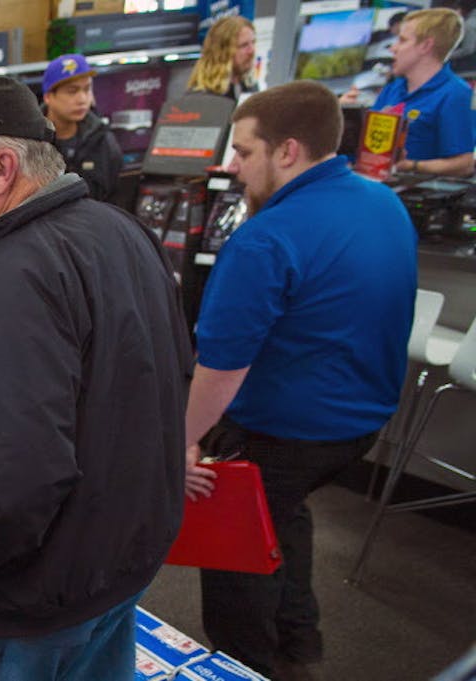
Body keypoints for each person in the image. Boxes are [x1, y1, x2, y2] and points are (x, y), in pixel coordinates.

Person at [0, 75, 190, 681]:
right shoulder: (121, 231)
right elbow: (169, 379)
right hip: (118, 560)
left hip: (34, 594)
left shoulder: (10, 280)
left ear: (1, 169)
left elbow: (5, 478)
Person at [184, 81, 416, 679]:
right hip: (361, 427)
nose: (233, 168)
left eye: (243, 151)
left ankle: (249, 665)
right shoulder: (383, 202)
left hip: (285, 431)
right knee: (283, 513)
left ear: (287, 151)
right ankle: (299, 643)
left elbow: (220, 369)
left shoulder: (264, 239)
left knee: (235, 544)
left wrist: (179, 440)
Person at [345, 8, 474, 177]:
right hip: (373, 185)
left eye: (402, 40)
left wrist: (412, 166)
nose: (393, 48)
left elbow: (464, 164)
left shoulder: (457, 94)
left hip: (415, 196)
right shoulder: (393, 88)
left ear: (426, 46)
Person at [41, 53, 124, 202]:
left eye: (87, 89)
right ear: (48, 97)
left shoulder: (103, 141)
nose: (82, 99)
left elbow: (114, 200)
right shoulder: (30, 142)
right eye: (72, 91)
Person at [188, 16, 258, 99]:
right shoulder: (201, 98)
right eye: (244, 45)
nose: (252, 51)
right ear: (222, 52)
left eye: (253, 43)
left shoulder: (251, 89)